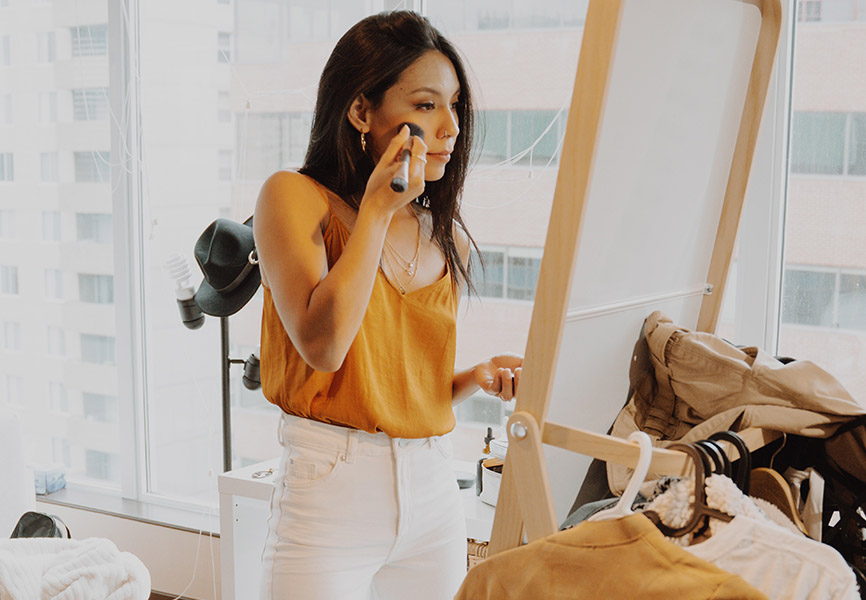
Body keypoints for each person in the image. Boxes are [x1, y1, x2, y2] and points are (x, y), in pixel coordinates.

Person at [254, 11, 523, 600]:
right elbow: (324, 347)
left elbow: (395, 389)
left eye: (455, 106)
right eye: (426, 106)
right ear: (361, 112)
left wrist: (473, 378)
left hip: (432, 490)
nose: (451, 127)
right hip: (328, 491)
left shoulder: (434, 228)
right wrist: (375, 212)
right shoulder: (293, 197)